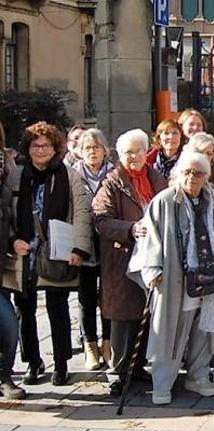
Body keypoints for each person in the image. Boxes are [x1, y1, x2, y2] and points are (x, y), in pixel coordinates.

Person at [128, 150, 214, 405]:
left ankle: (198, 376)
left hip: (211, 277)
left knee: (205, 328)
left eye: (198, 173)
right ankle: (162, 383)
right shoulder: (164, 201)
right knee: (172, 330)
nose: (192, 178)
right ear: (178, 174)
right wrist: (152, 268)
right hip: (177, 278)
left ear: (206, 177)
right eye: (187, 172)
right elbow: (151, 237)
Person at [13, 121, 93, 386]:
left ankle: (61, 363)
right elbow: (7, 210)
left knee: (57, 308)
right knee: (25, 309)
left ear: (55, 147)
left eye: (45, 145)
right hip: (25, 250)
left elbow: (82, 212)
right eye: (35, 145)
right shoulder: (17, 175)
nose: (40, 150)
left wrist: (80, 248)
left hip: (57, 248)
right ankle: (33, 362)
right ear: (28, 147)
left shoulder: (68, 175)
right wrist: (13, 240)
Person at [92, 129, 168, 396]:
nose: (133, 156)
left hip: (152, 258)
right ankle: (118, 371)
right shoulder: (111, 182)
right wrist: (130, 228)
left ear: (146, 151)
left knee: (145, 314)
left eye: (138, 150)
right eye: (127, 152)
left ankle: (136, 368)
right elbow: (101, 220)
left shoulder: (157, 178)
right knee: (123, 319)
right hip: (122, 259)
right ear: (119, 154)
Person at [70, 128, 114, 370]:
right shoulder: (73, 175)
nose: (93, 152)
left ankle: (108, 343)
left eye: (97, 147)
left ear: (105, 150)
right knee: (86, 298)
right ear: (80, 152)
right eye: (88, 148)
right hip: (84, 244)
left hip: (108, 245)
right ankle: (90, 345)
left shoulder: (114, 173)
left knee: (108, 297)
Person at [0, 123, 26, 398]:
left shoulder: (9, 165)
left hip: (4, 257)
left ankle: (4, 375)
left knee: (8, 324)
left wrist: (13, 239)